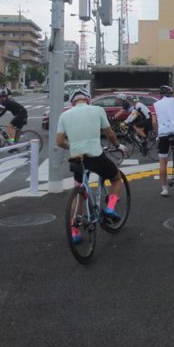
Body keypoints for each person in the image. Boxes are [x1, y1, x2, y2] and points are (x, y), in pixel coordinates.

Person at [56, 88, 127, 243]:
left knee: (80, 191)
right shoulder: (97, 110)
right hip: (95, 156)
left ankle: (74, 230)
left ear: (72, 101)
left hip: (76, 159)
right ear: (87, 99)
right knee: (115, 178)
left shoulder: (64, 115)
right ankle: (110, 207)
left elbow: (60, 141)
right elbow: (109, 133)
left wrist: (75, 146)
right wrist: (117, 145)